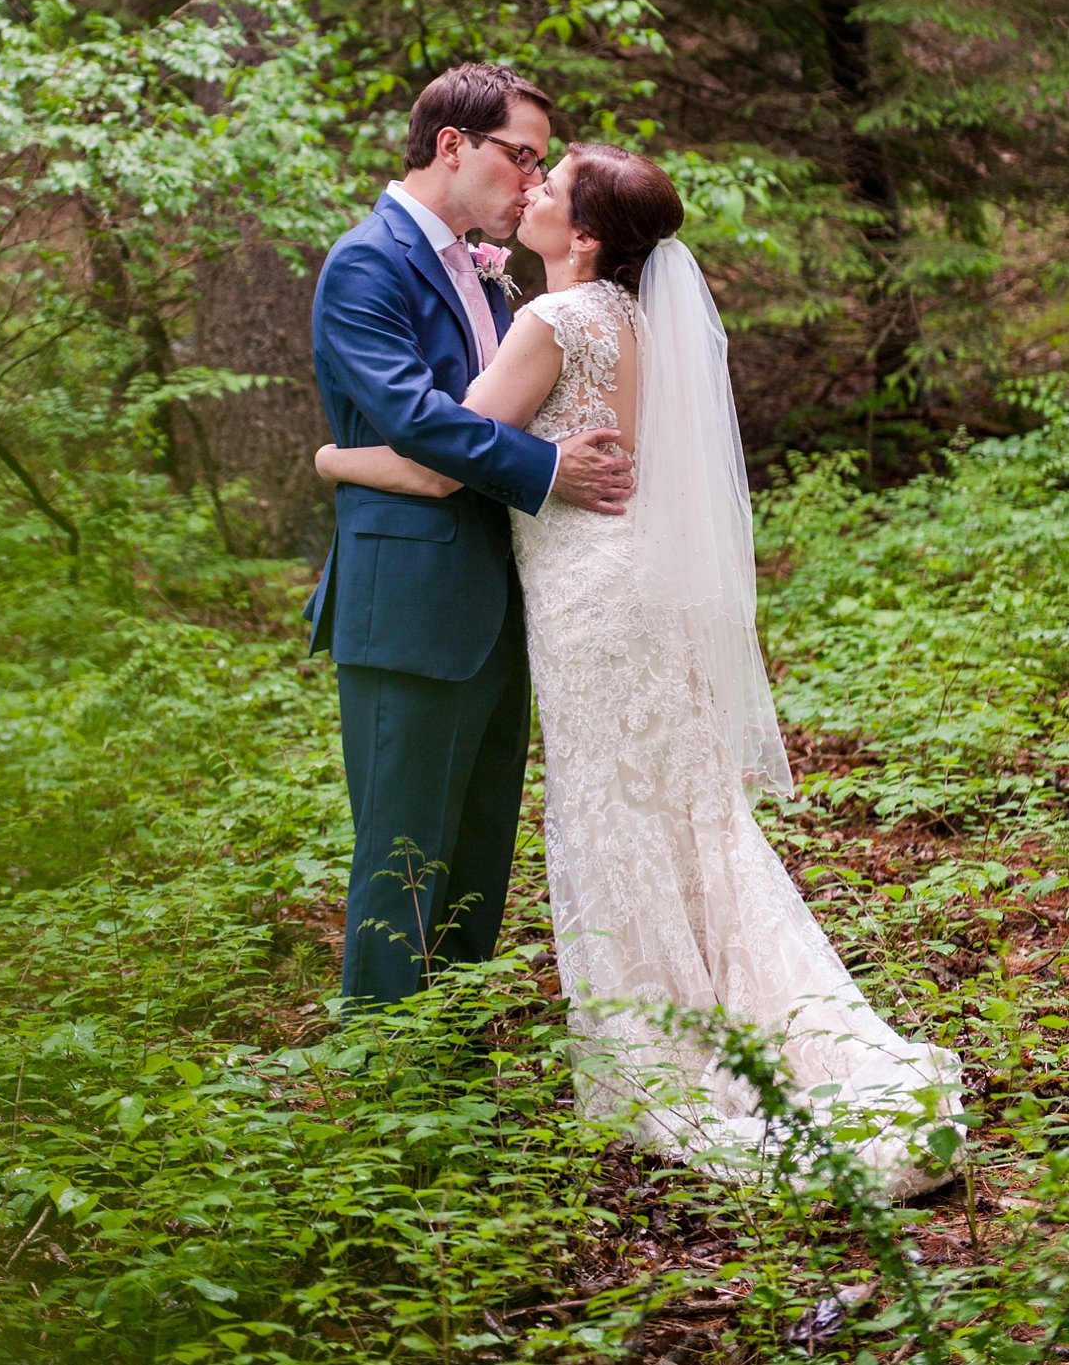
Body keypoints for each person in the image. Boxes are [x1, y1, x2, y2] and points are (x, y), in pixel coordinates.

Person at [317, 141, 963, 1195]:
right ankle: (737, 1009)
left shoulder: (549, 319)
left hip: (588, 600)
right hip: (638, 588)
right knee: (680, 806)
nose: (530, 187)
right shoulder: (637, 322)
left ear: (581, 236)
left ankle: (652, 1048)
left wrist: (331, 457)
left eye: (552, 185)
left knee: (614, 811)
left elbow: (444, 463)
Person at [307, 66, 633, 1014]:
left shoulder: (490, 275)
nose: (533, 182)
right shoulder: (366, 263)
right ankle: (383, 1103)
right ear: (453, 144)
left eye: (541, 163)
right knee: (400, 866)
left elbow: (491, 416)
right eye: (520, 155)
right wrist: (544, 470)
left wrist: (338, 460)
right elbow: (419, 421)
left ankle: (451, 1093)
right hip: (409, 612)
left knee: (478, 865)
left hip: (502, 606)